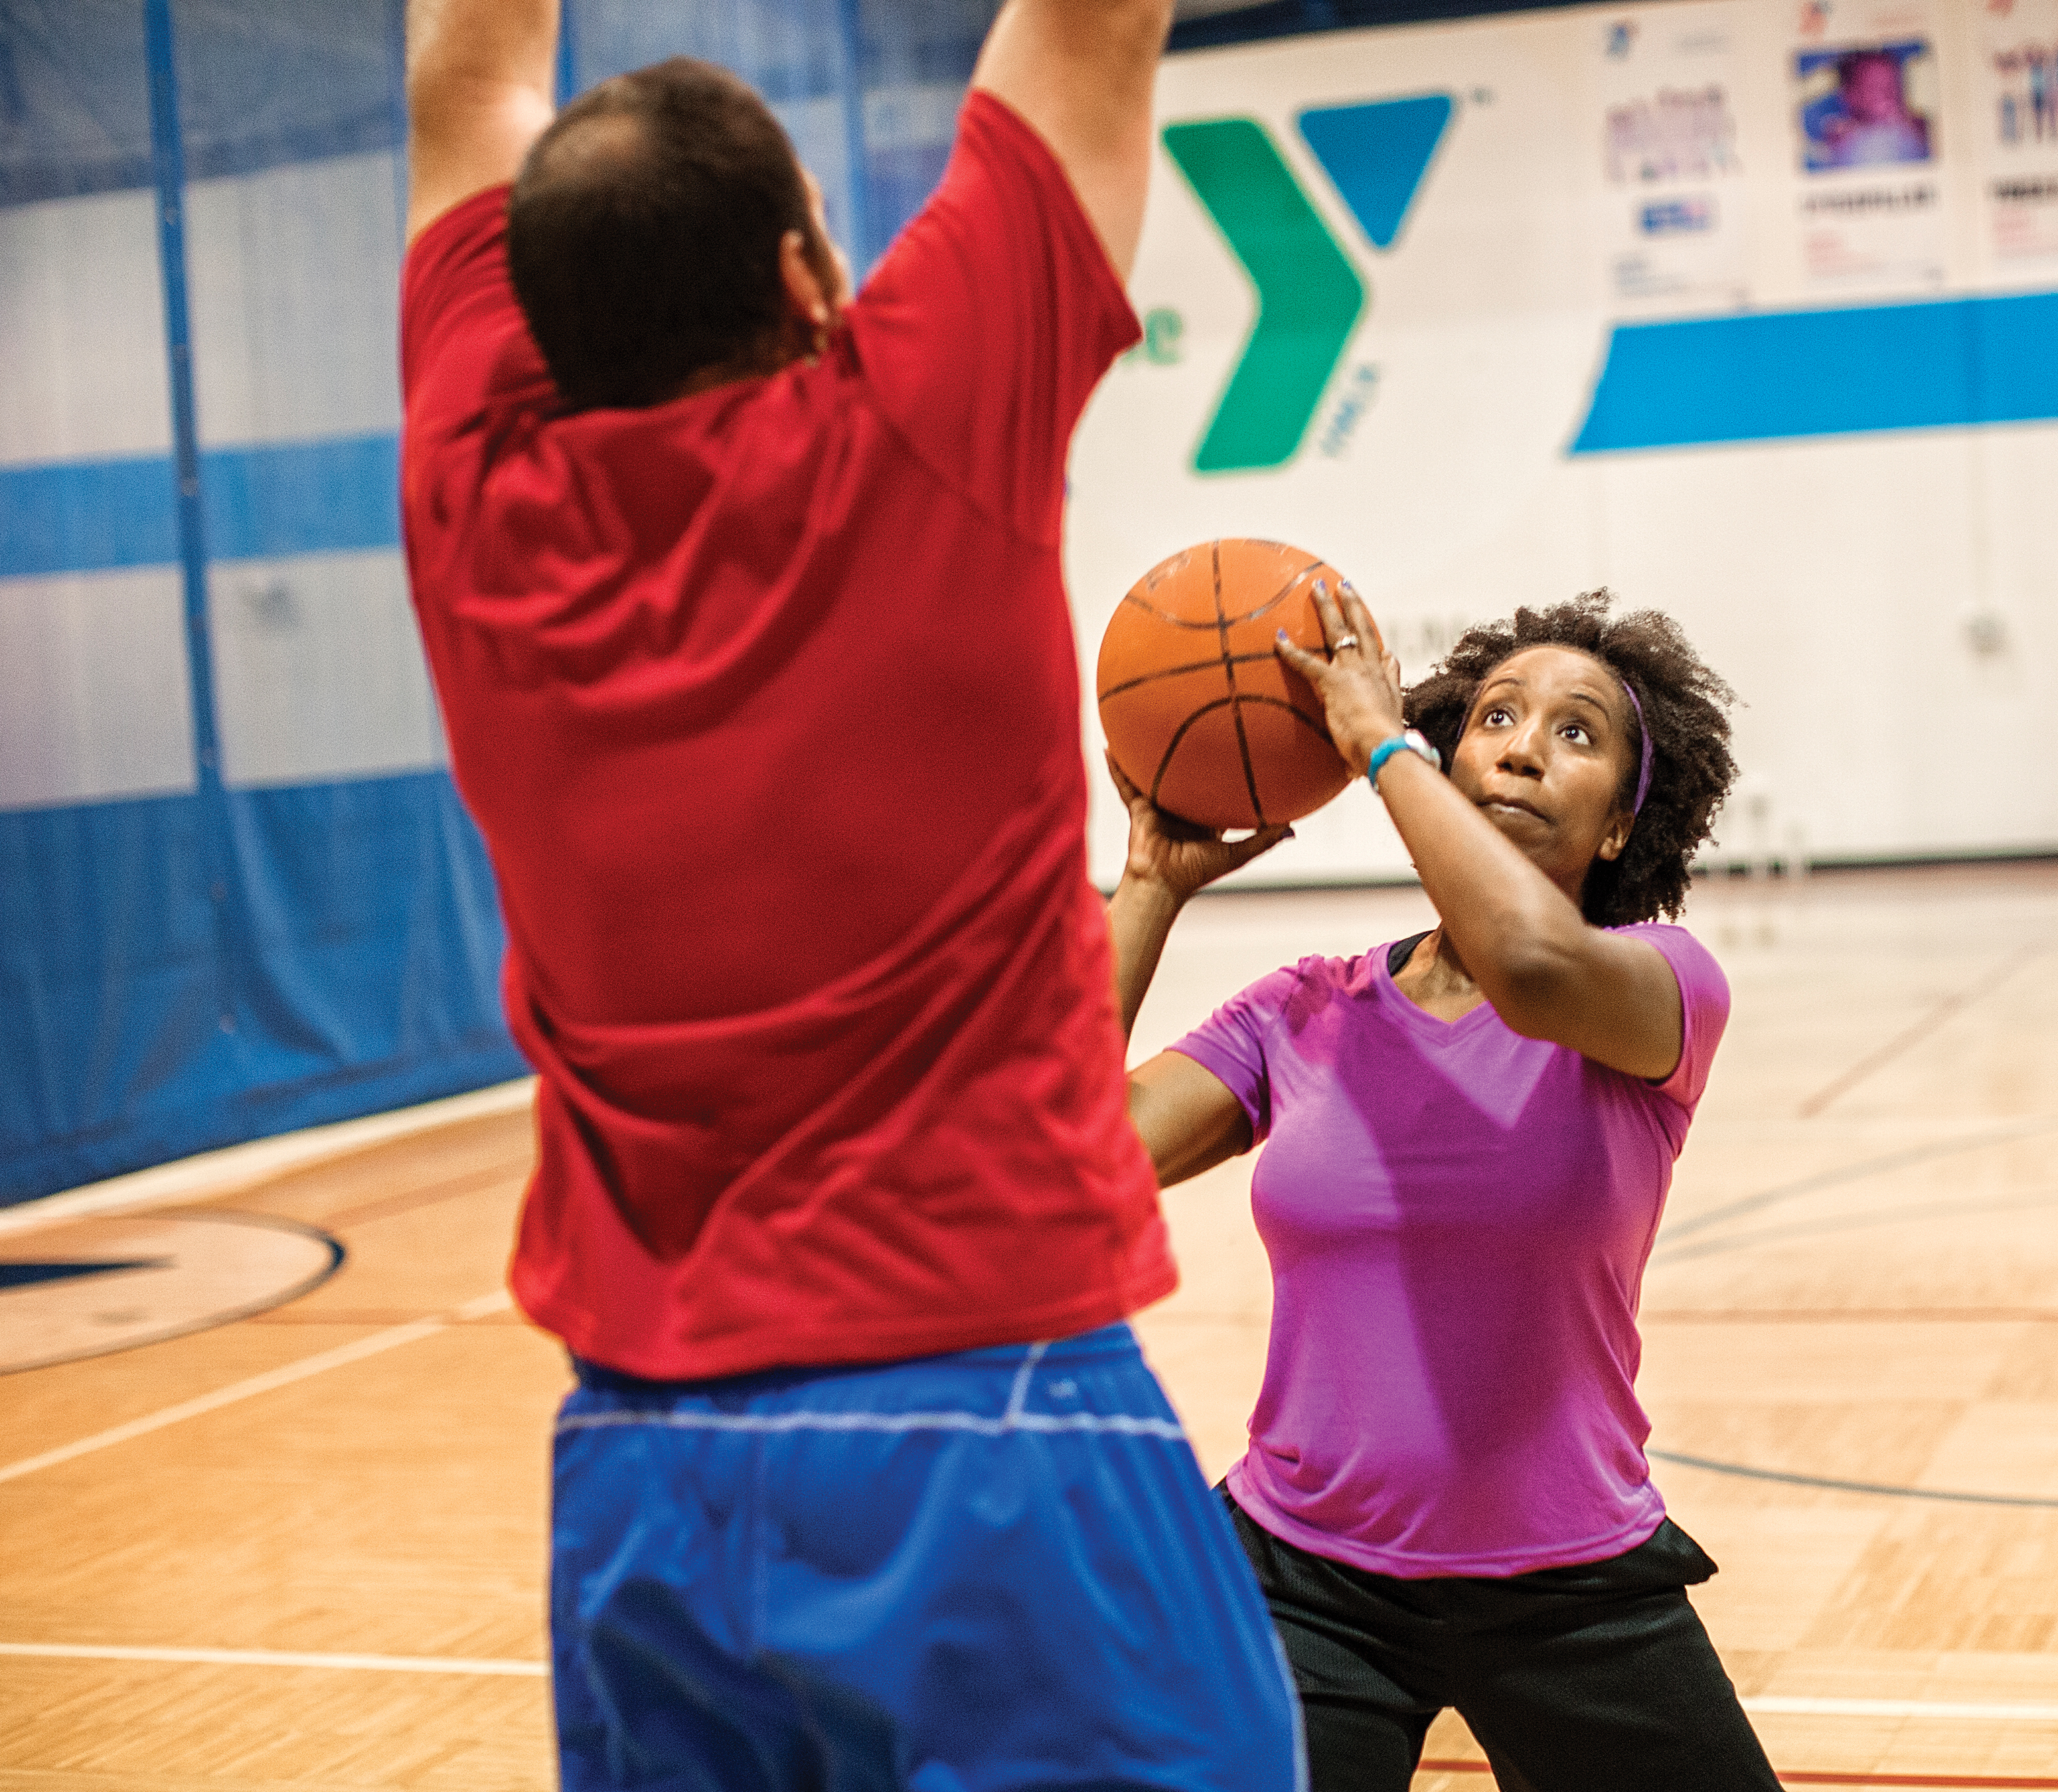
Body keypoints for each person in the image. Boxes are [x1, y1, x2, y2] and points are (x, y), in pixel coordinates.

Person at [397, 1, 1299, 1785]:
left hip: (640, 1461)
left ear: (529, 327)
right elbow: (1096, 26)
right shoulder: (916, 421)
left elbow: (467, 80)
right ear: (815, 273)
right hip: (983, 1418)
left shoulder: (469, 500)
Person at [1105, 583, 1780, 1792]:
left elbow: (1528, 959)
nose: (1523, 745)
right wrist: (1151, 889)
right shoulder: (1301, 1008)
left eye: (1577, 733)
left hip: (1570, 1588)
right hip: (1300, 1584)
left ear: (1622, 829)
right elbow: (1060, 1155)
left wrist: (1378, 742)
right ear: (1453, 759)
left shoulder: (1656, 989)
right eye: (1497, 717)